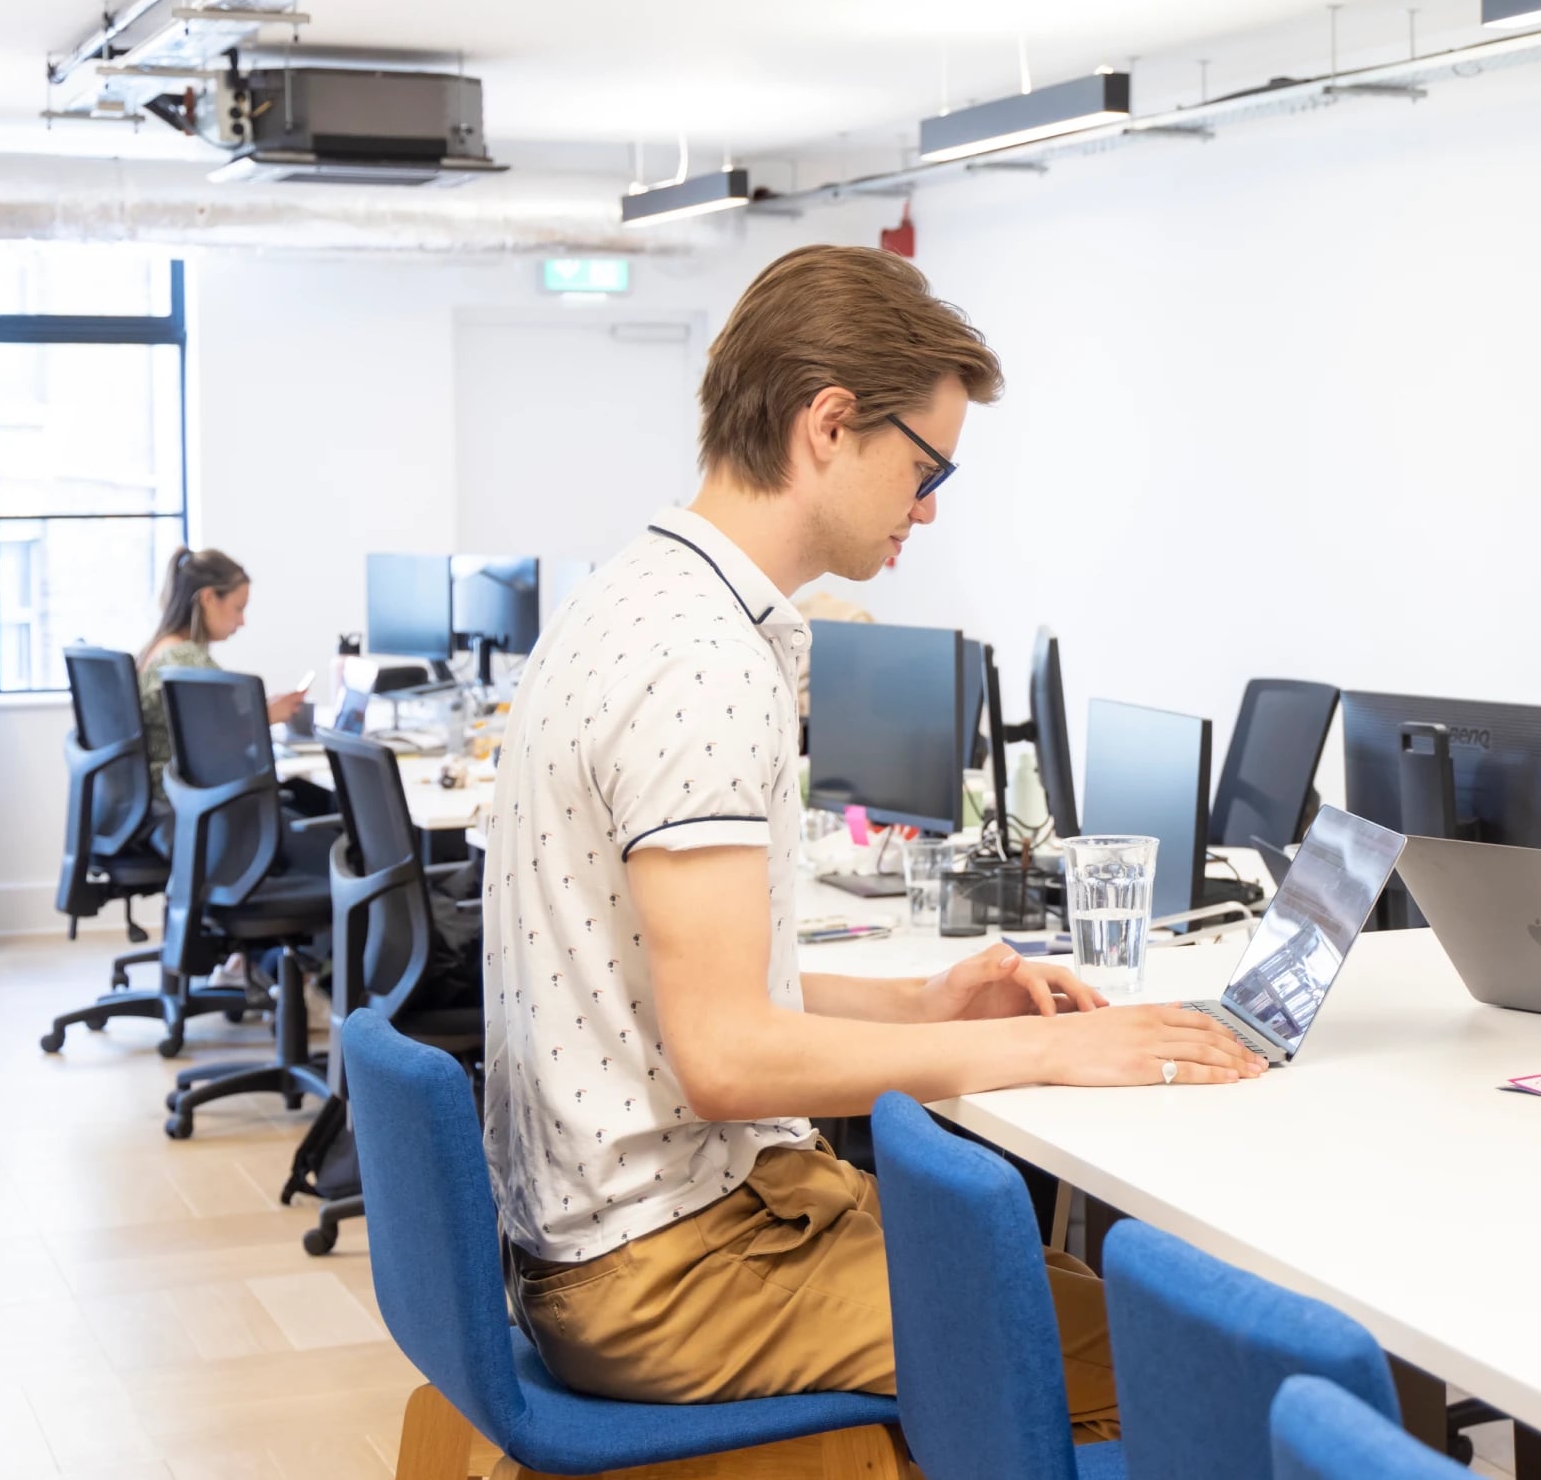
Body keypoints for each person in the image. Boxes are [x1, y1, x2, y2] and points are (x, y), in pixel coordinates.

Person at [479, 245, 1261, 1439]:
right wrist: (1058, 1053)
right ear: (830, 425)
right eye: (925, 464)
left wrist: (930, 1007)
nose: (930, 505)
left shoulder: (628, 596)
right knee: (1228, 1367)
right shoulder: (703, 661)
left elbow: (685, 989)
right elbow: (728, 1059)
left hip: (641, 1227)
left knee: (1091, 1297)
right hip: (673, 1268)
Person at [136, 547, 303, 804]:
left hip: (159, 794)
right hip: (183, 796)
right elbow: (213, 748)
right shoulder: (187, 661)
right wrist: (265, 715)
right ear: (208, 598)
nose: (242, 621)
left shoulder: (159, 648)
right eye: (238, 608)